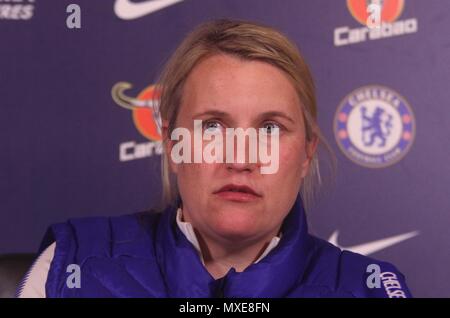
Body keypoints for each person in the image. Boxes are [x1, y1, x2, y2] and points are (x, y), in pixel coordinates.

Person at [17, 19, 411, 298]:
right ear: (173, 145)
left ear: (306, 154)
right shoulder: (71, 267)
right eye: (213, 127)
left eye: (270, 129)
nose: (240, 158)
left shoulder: (369, 288)